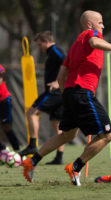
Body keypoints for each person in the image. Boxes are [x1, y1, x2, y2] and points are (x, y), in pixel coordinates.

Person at [21, 10, 111, 186]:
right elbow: (95, 41)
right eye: (100, 22)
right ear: (90, 24)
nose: (103, 26)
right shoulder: (91, 34)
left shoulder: (74, 46)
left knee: (68, 134)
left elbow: (61, 76)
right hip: (82, 92)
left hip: (70, 93)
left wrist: (67, 94)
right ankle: (76, 166)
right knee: (107, 135)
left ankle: (31, 161)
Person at [19, 31, 66, 165]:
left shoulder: (55, 50)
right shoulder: (52, 52)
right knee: (57, 125)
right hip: (58, 93)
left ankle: (33, 145)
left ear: (46, 41)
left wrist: (58, 82)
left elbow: (67, 62)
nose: (40, 48)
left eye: (40, 45)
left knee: (31, 112)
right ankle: (59, 157)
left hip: (54, 93)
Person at [0, 65, 20, 151]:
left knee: (6, 127)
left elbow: (3, 75)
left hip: (4, 100)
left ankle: (17, 150)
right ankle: (2, 149)